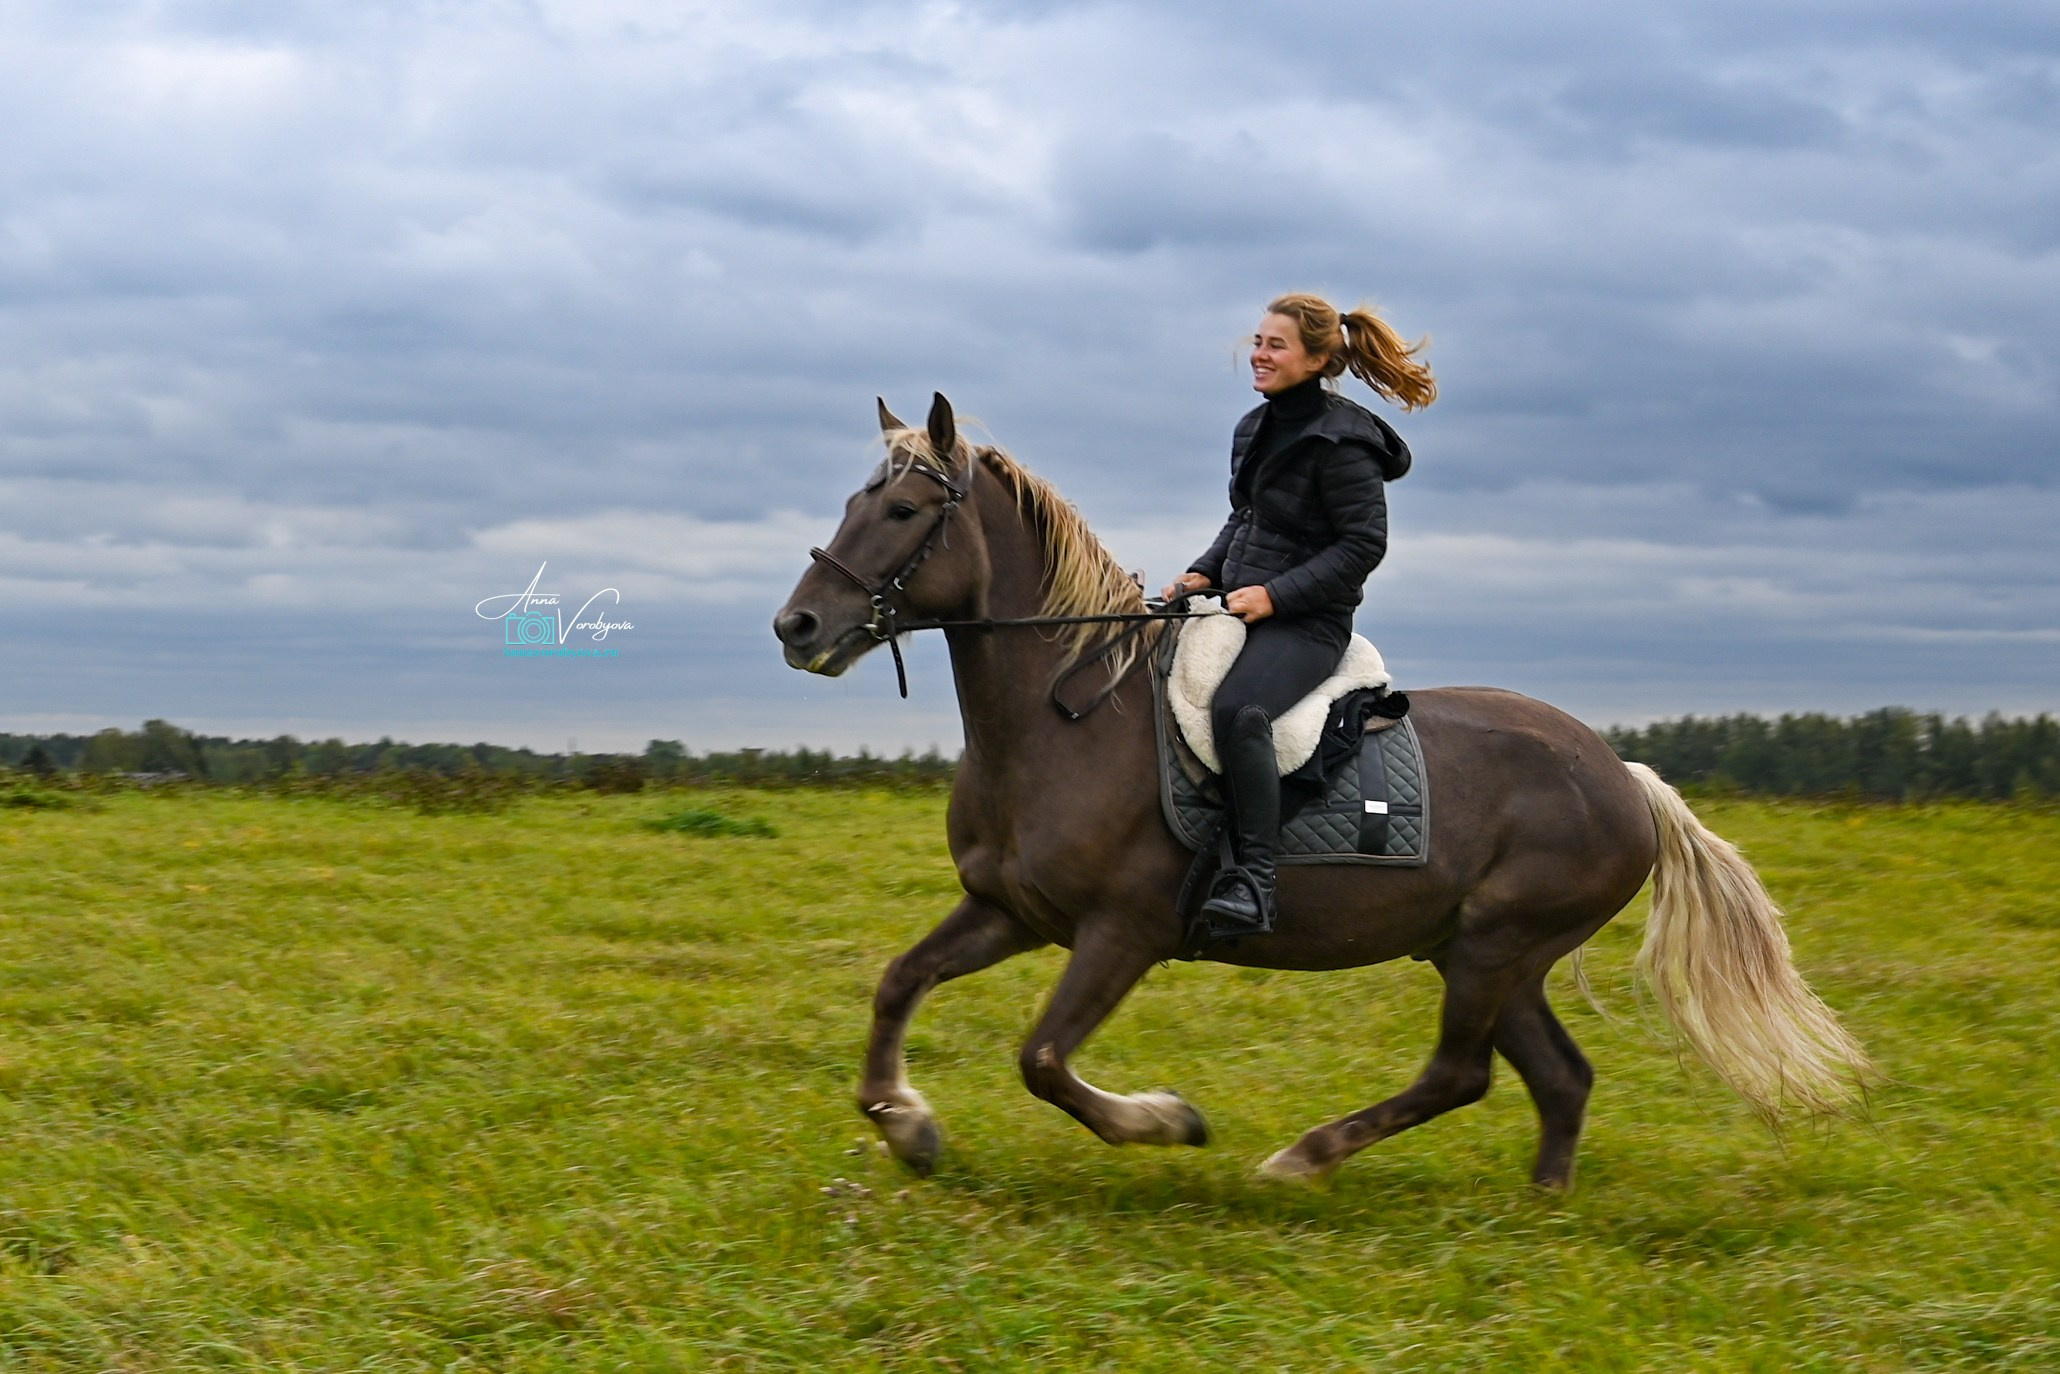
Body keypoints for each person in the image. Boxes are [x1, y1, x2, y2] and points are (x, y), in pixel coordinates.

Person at [1161, 293, 1435, 938]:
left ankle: (1254, 881)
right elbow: (1248, 519)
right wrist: (1205, 571)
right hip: (1246, 609)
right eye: (1258, 340)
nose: (1259, 354)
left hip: (1309, 624)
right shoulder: (1253, 428)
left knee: (1240, 712)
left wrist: (1276, 596)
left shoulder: (1345, 442)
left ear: (1316, 359)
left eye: (1276, 345)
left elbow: (1363, 546)